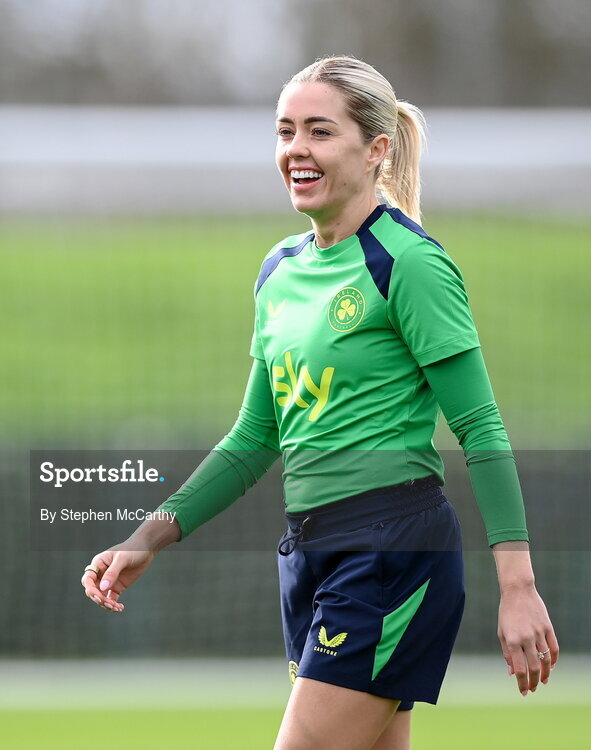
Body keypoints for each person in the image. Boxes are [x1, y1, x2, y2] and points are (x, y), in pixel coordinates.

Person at [79, 56, 558, 750]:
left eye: (318, 131)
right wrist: (146, 537)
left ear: (376, 149)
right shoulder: (278, 270)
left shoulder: (409, 264)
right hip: (308, 551)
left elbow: (479, 426)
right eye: (284, 132)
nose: (295, 150)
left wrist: (517, 585)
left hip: (391, 547)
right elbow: (252, 437)